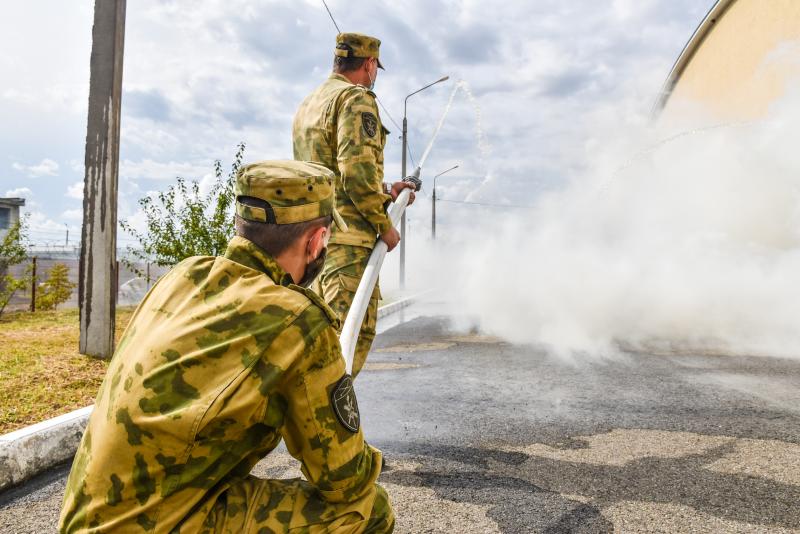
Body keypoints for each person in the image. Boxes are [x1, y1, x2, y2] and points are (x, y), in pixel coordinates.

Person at [59, 161, 394, 533]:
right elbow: (346, 478)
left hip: (87, 523)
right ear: (316, 241)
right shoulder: (297, 320)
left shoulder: (181, 276)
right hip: (159, 526)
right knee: (367, 509)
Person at [293, 32, 415, 378]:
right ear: (370, 64)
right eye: (375, 68)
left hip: (313, 243)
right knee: (345, 345)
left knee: (320, 342)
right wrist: (384, 225)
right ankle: (328, 432)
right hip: (348, 246)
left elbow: (333, 173)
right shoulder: (356, 99)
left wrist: (387, 191)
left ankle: (321, 429)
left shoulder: (310, 104)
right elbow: (356, 174)